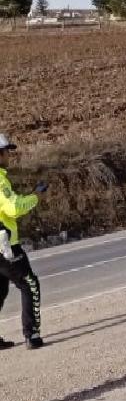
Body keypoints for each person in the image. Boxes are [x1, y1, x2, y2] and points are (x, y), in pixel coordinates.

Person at [0, 134, 45, 350]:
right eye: (6, 151)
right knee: (29, 284)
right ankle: (32, 334)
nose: (9, 155)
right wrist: (35, 196)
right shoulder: (0, 180)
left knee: (0, 290)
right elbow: (13, 208)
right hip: (5, 246)